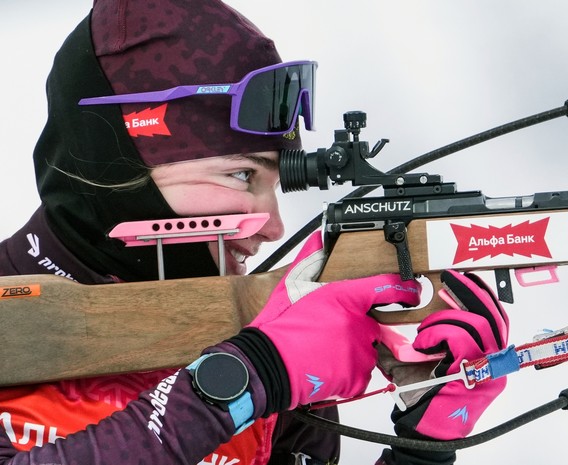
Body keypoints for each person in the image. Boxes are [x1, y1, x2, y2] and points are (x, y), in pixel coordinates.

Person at [0, 1, 510, 465]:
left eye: (274, 184)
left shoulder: (264, 333)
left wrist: (421, 448)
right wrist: (245, 378)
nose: (274, 227)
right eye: (241, 175)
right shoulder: (266, 355)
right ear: (118, 163)